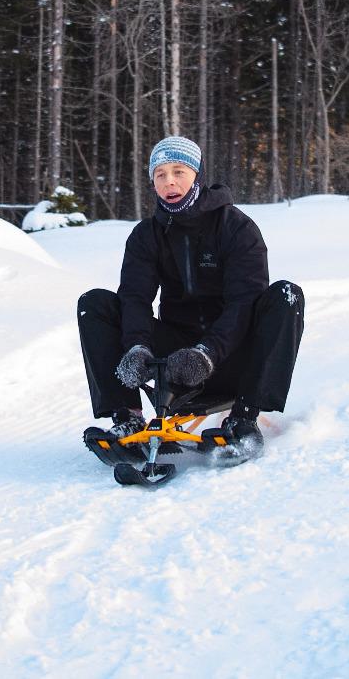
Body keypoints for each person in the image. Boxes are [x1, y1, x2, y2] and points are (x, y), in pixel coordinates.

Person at [76, 135, 304, 458]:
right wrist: (137, 346)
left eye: (178, 171)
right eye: (160, 174)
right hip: (176, 362)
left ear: (197, 174)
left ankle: (244, 419)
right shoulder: (146, 236)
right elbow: (135, 299)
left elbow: (245, 302)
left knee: (286, 296)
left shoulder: (236, 228)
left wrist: (207, 352)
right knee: (94, 305)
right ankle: (127, 419)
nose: (169, 181)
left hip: (230, 357)